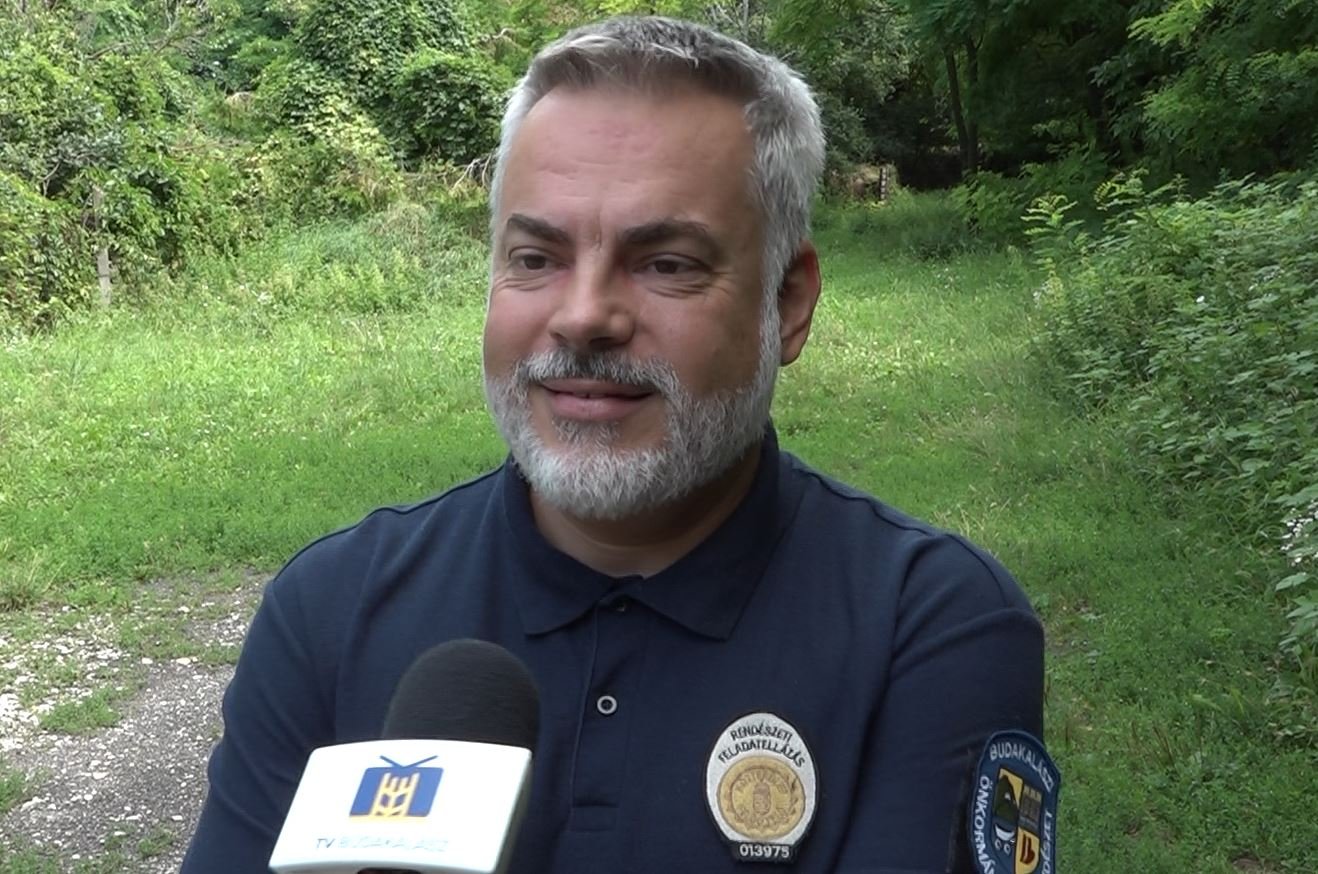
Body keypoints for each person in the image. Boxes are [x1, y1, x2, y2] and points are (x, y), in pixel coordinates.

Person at [182, 16, 1051, 873]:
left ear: (787, 304)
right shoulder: (329, 611)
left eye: (666, 263)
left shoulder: (931, 627)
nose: (583, 315)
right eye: (536, 258)